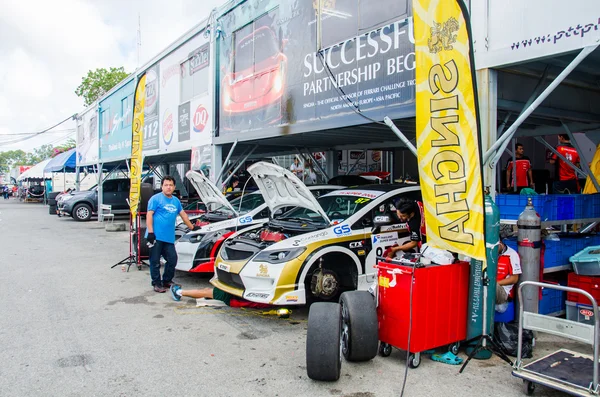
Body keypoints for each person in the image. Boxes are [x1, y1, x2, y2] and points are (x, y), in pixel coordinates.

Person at [146, 176, 197, 293]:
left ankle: (167, 280)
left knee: (172, 259)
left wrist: (192, 227)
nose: (168, 187)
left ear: (174, 187)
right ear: (162, 186)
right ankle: (157, 284)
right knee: (155, 261)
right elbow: (149, 215)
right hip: (155, 236)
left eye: (170, 185)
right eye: (166, 185)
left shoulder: (176, 201)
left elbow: (183, 215)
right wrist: (150, 232)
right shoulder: (155, 199)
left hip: (168, 237)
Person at [170, 285, 271, 308]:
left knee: (206, 291)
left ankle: (179, 292)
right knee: (207, 291)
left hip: (233, 296)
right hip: (237, 295)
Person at [496, 240, 522, 311]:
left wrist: (496, 283)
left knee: (489, 286)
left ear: (500, 243)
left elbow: (514, 278)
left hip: (503, 291)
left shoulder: (512, 255)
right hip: (490, 284)